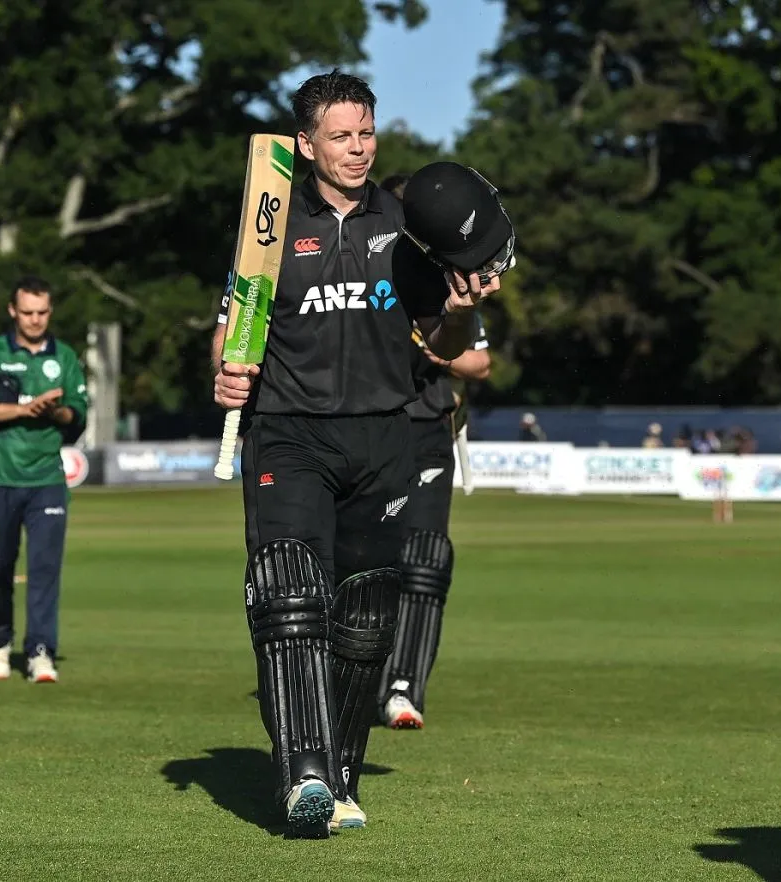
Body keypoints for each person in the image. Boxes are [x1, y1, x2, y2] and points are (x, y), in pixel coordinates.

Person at [211, 70, 511, 837]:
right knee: (288, 595)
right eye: (341, 136)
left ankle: (341, 773)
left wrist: (453, 315)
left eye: (366, 133)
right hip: (289, 430)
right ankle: (302, 775)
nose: (357, 148)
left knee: (365, 619)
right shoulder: (271, 219)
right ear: (306, 144)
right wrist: (225, 367)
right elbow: (233, 322)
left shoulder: (408, 225)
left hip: (383, 439)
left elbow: (444, 346)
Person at [372, 162, 494, 733]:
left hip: (425, 426)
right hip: (370, 425)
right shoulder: (367, 262)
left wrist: (433, 341)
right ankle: (359, 670)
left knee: (424, 559)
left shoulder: (450, 280)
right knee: (367, 558)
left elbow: (479, 361)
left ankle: (404, 684)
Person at [0, 276, 87, 684]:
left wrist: (54, 413)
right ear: (12, 311)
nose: (35, 320)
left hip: (46, 480)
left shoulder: (67, 357)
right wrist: (27, 409)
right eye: (27, 312)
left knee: (44, 570)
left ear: (50, 311)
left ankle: (40, 651)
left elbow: (77, 416)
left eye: (42, 312)